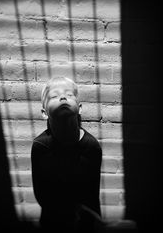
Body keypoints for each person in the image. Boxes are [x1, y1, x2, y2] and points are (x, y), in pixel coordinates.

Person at [31, 76, 103, 233]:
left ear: (80, 108)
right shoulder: (41, 146)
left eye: (69, 95)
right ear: (44, 113)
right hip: (53, 223)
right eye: (54, 96)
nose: (63, 97)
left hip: (86, 223)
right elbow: (42, 195)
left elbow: (90, 196)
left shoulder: (91, 146)